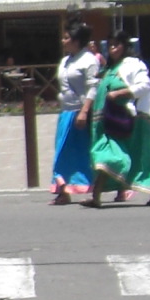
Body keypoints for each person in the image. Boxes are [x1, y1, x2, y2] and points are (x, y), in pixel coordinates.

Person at [87, 38, 150, 206]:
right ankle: (96, 196)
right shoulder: (108, 69)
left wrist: (120, 93)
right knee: (106, 153)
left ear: (125, 47)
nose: (113, 48)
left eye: (117, 44)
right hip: (112, 121)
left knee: (146, 156)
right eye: (110, 45)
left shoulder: (133, 64)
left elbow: (144, 85)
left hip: (137, 118)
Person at [49, 19, 102, 204]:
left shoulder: (89, 61)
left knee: (84, 153)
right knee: (61, 152)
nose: (63, 41)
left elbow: (93, 88)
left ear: (77, 41)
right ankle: (62, 189)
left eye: (66, 38)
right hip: (66, 112)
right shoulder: (65, 61)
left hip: (80, 113)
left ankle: (95, 188)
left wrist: (84, 112)